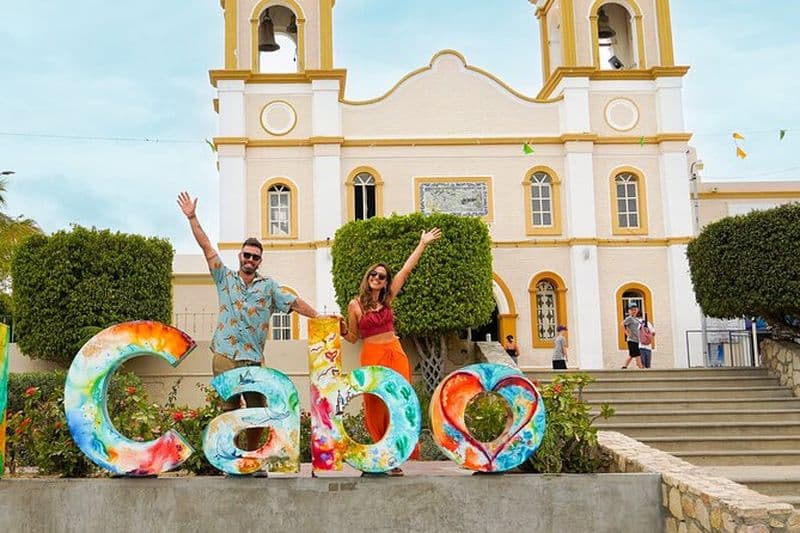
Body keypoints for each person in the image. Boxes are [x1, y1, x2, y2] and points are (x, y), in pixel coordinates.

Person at [177, 192, 320, 457]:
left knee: (258, 408)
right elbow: (207, 247)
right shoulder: (225, 278)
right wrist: (193, 217)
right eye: (247, 255)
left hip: (253, 359)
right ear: (240, 256)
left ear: (260, 261)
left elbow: (295, 303)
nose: (250, 260)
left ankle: (250, 457)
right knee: (229, 408)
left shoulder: (268, 287)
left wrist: (320, 318)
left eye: (255, 257)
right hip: (225, 356)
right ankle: (229, 458)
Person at [341, 228, 442, 476]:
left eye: (382, 276)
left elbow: (406, 271)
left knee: (398, 403)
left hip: (394, 354)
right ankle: (380, 455)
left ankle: (395, 457)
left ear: (386, 282)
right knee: (376, 405)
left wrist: (422, 244)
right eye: (374, 274)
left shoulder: (387, 300)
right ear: (368, 278)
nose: (377, 278)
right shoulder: (355, 305)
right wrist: (342, 329)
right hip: (372, 355)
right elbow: (353, 338)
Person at [621, 304, 644, 369]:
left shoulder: (636, 319)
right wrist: (626, 333)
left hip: (636, 339)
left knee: (632, 354)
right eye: (631, 310)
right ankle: (640, 367)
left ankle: (624, 366)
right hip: (631, 339)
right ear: (629, 311)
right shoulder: (629, 318)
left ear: (637, 310)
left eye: (635, 309)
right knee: (637, 353)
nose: (633, 311)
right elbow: (622, 324)